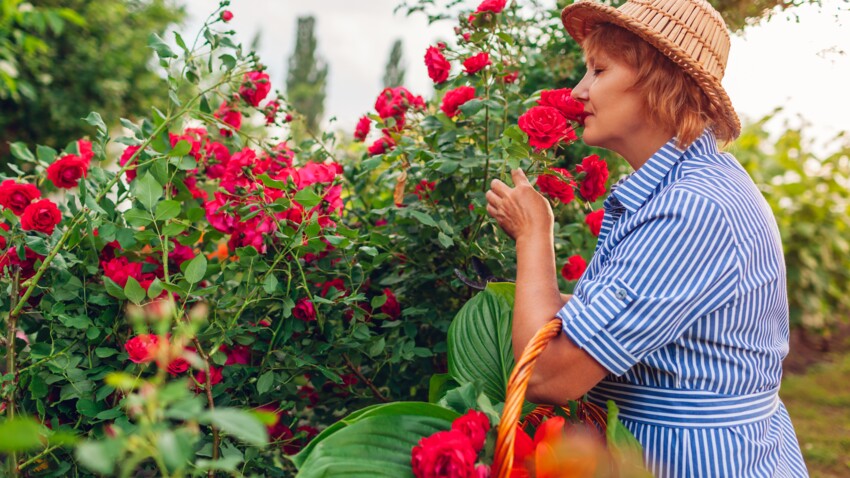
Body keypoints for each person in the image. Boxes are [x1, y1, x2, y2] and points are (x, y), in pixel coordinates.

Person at [485, 0, 809, 476]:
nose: (578, 90)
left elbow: (548, 375)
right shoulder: (688, 185)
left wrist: (534, 234)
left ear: (661, 82)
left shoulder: (691, 209)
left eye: (599, 70)